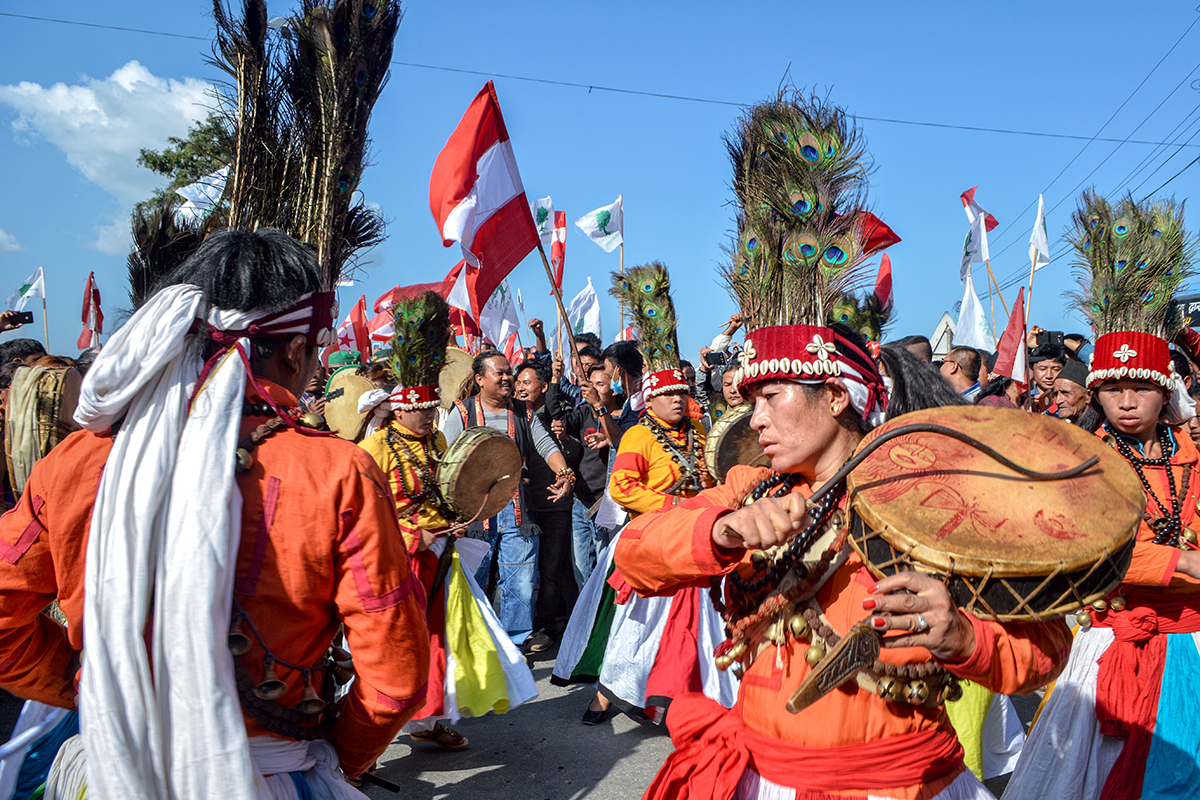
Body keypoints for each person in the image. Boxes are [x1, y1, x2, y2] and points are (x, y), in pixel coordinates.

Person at [615, 92, 1069, 800]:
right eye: (750, 399)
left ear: (837, 396)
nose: (754, 417)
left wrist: (963, 641)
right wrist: (726, 530)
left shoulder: (935, 499)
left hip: (901, 784)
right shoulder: (752, 490)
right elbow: (634, 554)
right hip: (767, 781)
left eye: (771, 397)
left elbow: (1046, 650)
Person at [0, 229, 430, 796]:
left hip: (109, 773)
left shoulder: (76, 460)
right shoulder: (337, 472)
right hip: (270, 776)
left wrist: (91, 685)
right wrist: (338, 758)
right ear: (296, 351)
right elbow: (395, 678)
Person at [1005, 192, 1200, 799]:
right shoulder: (1088, 465)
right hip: (1114, 643)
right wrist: (1185, 562)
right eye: (1111, 387)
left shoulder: (1193, 455)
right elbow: (1099, 554)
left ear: (1162, 390)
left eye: (1140, 387)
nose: (1126, 400)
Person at [555, 263, 730, 726]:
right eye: (669, 395)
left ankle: (691, 695)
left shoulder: (697, 430)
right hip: (646, 542)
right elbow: (623, 488)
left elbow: (708, 479)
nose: (678, 400)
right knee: (633, 628)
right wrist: (674, 504)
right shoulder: (637, 436)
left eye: (682, 393)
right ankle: (608, 696)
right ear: (649, 399)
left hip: (692, 541)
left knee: (693, 626)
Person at [441, 350, 573, 649]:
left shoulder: (524, 410)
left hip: (517, 512)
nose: (506, 377)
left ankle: (514, 648)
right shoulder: (461, 412)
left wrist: (564, 472)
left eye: (507, 372)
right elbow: (445, 461)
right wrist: (451, 515)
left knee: (521, 585)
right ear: (479, 379)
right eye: (498, 372)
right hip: (473, 515)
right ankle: (473, 649)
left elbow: (544, 444)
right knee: (474, 583)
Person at [514, 357, 579, 651]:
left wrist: (564, 442)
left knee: (551, 570)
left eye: (527, 382)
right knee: (521, 574)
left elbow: (574, 453)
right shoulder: (512, 414)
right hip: (523, 507)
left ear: (543, 386)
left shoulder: (560, 413)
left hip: (555, 505)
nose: (520, 388)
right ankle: (517, 628)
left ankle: (545, 627)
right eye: (517, 383)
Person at [553, 362, 621, 588]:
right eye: (590, 384)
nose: (593, 389)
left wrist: (601, 411)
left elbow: (619, 440)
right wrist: (555, 380)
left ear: (615, 388)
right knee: (581, 570)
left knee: (604, 566)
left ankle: (603, 617)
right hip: (580, 501)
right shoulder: (582, 413)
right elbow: (557, 416)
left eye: (600, 384)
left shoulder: (621, 416)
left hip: (606, 502)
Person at [1053, 359, 1096, 427]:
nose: (1058, 401)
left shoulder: (1100, 432)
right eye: (1056, 394)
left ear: (1088, 396)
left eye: (1066, 393)